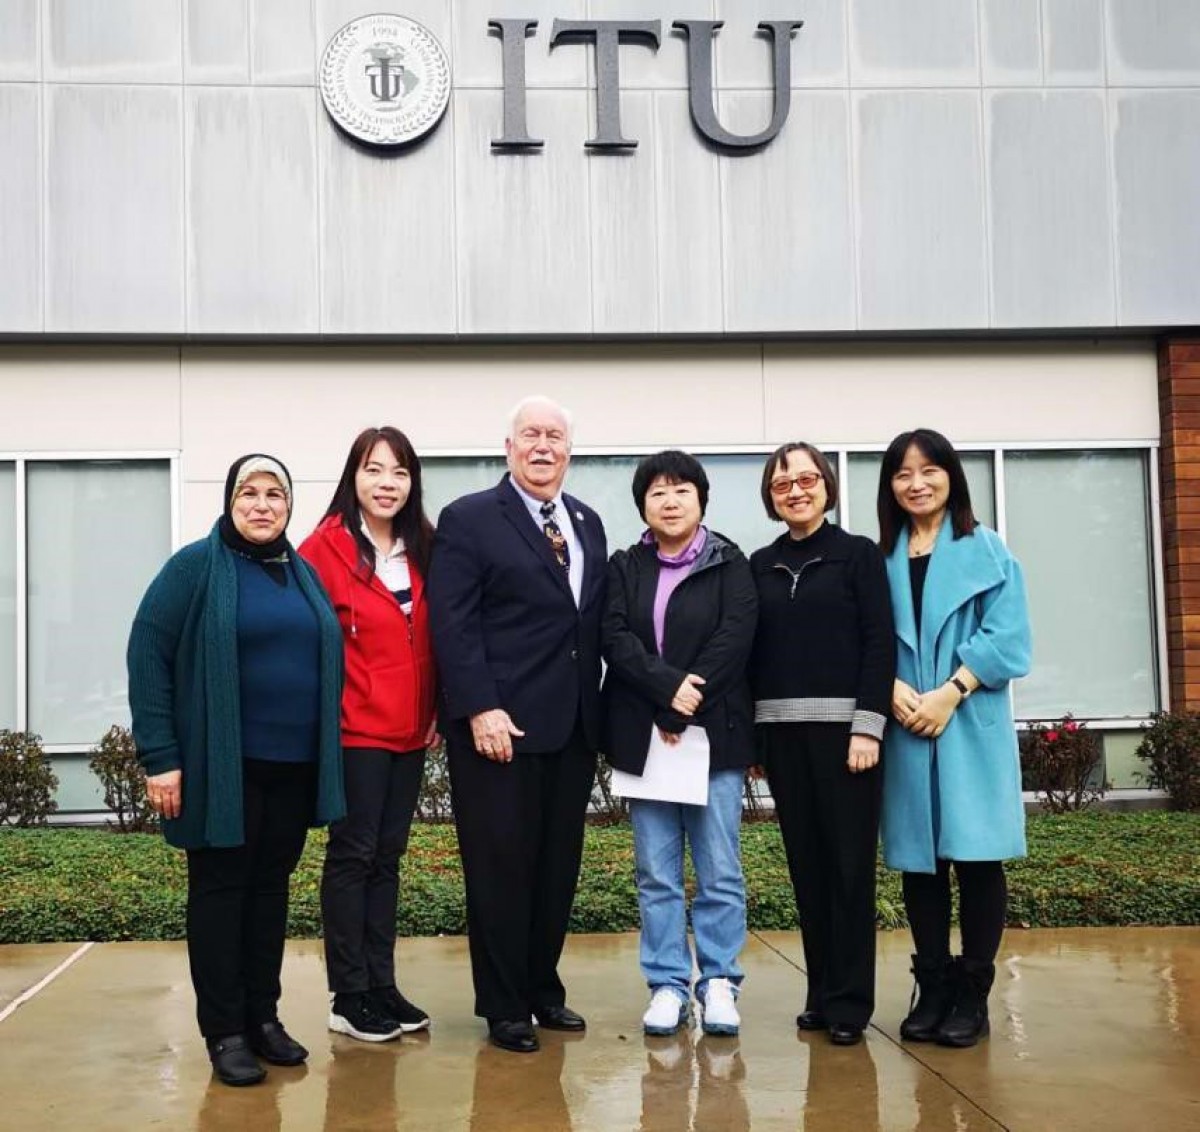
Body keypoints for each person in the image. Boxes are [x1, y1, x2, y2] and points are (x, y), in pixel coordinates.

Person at [127, 454, 345, 1087]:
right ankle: (224, 1031)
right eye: (248, 492)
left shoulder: (300, 572)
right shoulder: (195, 567)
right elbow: (147, 652)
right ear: (229, 501)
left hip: (293, 764)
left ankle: (262, 1018)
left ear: (289, 506)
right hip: (223, 766)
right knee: (221, 894)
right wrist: (161, 758)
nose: (261, 504)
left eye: (275, 494)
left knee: (270, 891)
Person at [426, 395, 607, 1054]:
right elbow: (453, 622)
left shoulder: (586, 522)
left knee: (556, 867)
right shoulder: (470, 518)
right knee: (501, 868)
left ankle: (541, 989)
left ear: (568, 451)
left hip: (573, 726)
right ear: (509, 448)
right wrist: (479, 706)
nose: (542, 446)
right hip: (498, 727)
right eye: (530, 434)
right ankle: (504, 1005)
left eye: (555, 436)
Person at [877, 428, 1031, 1048]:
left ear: (951, 476)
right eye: (903, 473)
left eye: (929, 470)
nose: (916, 483)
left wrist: (952, 690)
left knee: (976, 855)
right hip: (906, 720)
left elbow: (1009, 637)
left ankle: (973, 992)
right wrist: (889, 685)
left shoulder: (986, 549)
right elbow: (864, 634)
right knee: (922, 861)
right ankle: (934, 984)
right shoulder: (882, 557)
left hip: (967, 719)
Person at [601, 450, 757, 1038]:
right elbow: (614, 636)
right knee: (656, 872)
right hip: (648, 741)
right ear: (643, 504)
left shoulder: (730, 563)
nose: (670, 501)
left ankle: (719, 981)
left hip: (714, 736)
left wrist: (684, 700)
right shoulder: (626, 566)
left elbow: (734, 640)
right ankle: (667, 983)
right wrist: (666, 691)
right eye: (658, 492)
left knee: (719, 870)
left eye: (681, 490)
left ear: (701, 499)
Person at [749, 442, 894, 1047]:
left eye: (807, 480)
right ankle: (821, 992)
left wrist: (868, 725)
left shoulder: (858, 556)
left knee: (848, 869)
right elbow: (751, 654)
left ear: (827, 487)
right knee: (807, 869)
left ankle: (850, 1002)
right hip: (782, 738)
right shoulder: (759, 564)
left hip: (847, 739)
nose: (796, 491)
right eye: (783, 484)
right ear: (771, 496)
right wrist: (754, 740)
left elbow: (879, 642)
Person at [299, 427, 438, 1042]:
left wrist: (437, 710)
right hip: (355, 730)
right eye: (374, 470)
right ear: (353, 476)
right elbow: (304, 643)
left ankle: (381, 984)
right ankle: (348, 994)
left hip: (411, 731)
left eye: (399, 473)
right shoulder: (323, 548)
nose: (387, 484)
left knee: (388, 857)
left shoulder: (425, 545)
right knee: (353, 856)